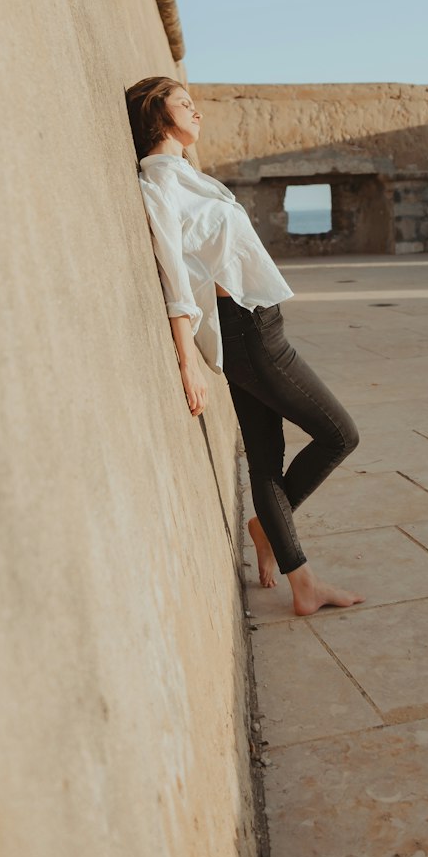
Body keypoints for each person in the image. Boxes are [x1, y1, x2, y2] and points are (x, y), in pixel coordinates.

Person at [125, 75, 365, 618]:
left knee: (266, 458)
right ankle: (267, 529)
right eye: (182, 104)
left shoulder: (186, 173)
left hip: (256, 324)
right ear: (157, 119)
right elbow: (175, 281)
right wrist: (189, 363)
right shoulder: (159, 184)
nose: (196, 110)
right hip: (249, 334)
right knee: (339, 435)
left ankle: (298, 576)